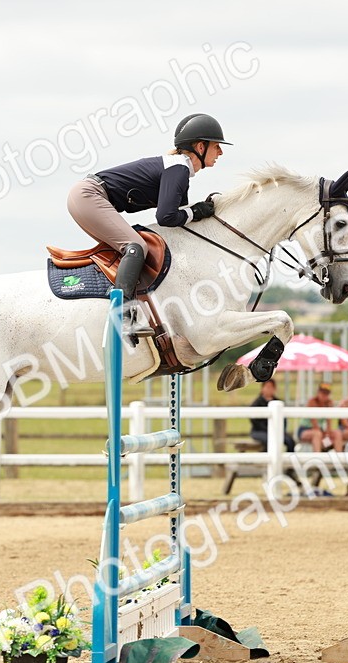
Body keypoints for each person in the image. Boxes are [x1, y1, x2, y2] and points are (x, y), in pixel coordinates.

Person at [67, 113, 230, 335]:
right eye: (217, 146)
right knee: (136, 247)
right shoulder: (178, 168)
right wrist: (196, 211)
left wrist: (200, 213)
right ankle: (121, 316)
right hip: (89, 196)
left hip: (89, 197)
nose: (221, 152)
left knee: (134, 248)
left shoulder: (179, 170)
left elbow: (180, 222)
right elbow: (167, 217)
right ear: (201, 147)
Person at [249, 379, 295, 451]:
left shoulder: (279, 402)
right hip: (259, 431)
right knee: (268, 440)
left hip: (276, 430)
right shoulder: (257, 403)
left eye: (271, 387)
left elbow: (284, 420)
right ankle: (266, 460)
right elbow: (254, 421)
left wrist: (280, 429)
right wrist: (268, 429)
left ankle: (289, 460)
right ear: (262, 388)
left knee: (290, 441)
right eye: (267, 387)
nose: (269, 389)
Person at [297, 383, 334, 452]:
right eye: (323, 393)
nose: (324, 396)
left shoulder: (328, 403)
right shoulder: (312, 402)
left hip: (319, 430)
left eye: (326, 394)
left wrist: (327, 434)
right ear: (318, 392)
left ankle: (338, 458)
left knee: (335, 434)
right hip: (304, 429)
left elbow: (329, 423)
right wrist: (324, 436)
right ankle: (317, 458)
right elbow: (314, 424)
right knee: (317, 434)